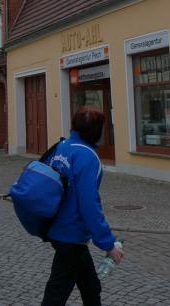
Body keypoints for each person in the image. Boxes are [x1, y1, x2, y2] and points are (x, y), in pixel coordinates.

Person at [41, 107, 124, 306]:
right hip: (71, 234)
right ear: (97, 131)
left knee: (90, 287)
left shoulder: (62, 147)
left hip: (57, 227)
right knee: (56, 294)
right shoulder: (87, 156)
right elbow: (89, 204)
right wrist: (108, 244)